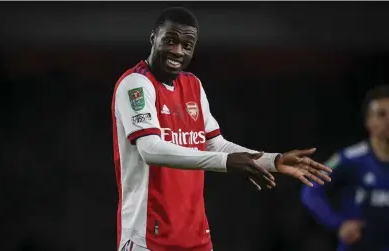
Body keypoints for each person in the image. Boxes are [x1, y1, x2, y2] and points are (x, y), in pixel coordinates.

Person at [112, 7, 332, 251]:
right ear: (154, 38)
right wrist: (225, 162)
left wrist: (272, 160)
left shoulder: (192, 84)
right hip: (147, 238)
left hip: (195, 238)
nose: (178, 51)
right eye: (170, 40)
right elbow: (150, 149)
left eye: (187, 44)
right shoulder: (135, 84)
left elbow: (214, 143)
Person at [301, 85, 389, 251]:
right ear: (368, 122)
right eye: (382, 115)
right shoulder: (350, 158)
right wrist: (339, 223)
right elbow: (310, 190)